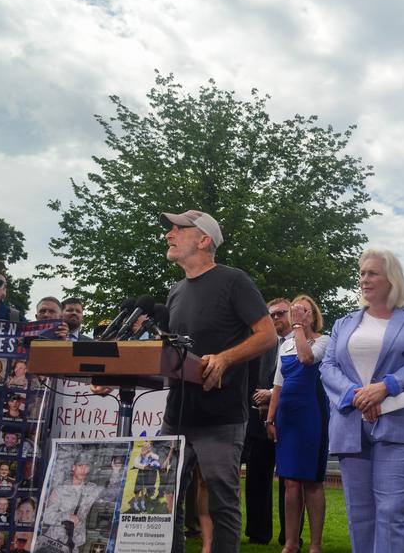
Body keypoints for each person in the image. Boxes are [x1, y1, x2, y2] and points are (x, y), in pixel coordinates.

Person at [90, 209, 275, 553]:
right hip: (177, 415)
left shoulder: (234, 281)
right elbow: (168, 358)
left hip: (221, 416)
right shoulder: (176, 292)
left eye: (179, 229)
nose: (169, 234)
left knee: (221, 502)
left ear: (204, 240)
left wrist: (225, 357)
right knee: (162, 499)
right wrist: (116, 379)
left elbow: (267, 336)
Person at [320, 248, 404, 552]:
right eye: (361, 274)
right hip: (351, 426)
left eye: (372, 273)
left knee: (393, 512)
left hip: (403, 425)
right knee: (360, 515)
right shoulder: (343, 324)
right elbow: (328, 367)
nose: (364, 279)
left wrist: (385, 387)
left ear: (391, 278)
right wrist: (356, 396)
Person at [266, 294, 331, 553]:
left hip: (312, 415)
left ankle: (315, 544)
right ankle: (291, 543)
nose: (298, 316)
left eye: (303, 311)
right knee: (290, 482)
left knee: (312, 482)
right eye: (295, 312)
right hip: (287, 417)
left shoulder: (325, 341)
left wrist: (299, 329)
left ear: (313, 315)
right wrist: (270, 418)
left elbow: (306, 359)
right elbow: (277, 386)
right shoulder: (285, 346)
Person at [241, 298, 292, 546]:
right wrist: (257, 399)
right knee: (256, 478)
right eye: (271, 315)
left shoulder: (303, 344)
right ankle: (258, 533)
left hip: (291, 419)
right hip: (258, 419)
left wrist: (273, 395)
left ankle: (289, 537)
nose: (275, 318)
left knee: (290, 482)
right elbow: (249, 377)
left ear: (292, 314)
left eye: (280, 313)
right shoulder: (262, 345)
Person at [39, 452, 102, 550]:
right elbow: (47, 516)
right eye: (80, 466)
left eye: (86, 467)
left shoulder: (92, 489)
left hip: (74, 544)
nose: (83, 470)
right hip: (55, 541)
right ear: (73, 467)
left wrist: (116, 471)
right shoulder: (60, 489)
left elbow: (111, 495)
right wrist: (67, 516)